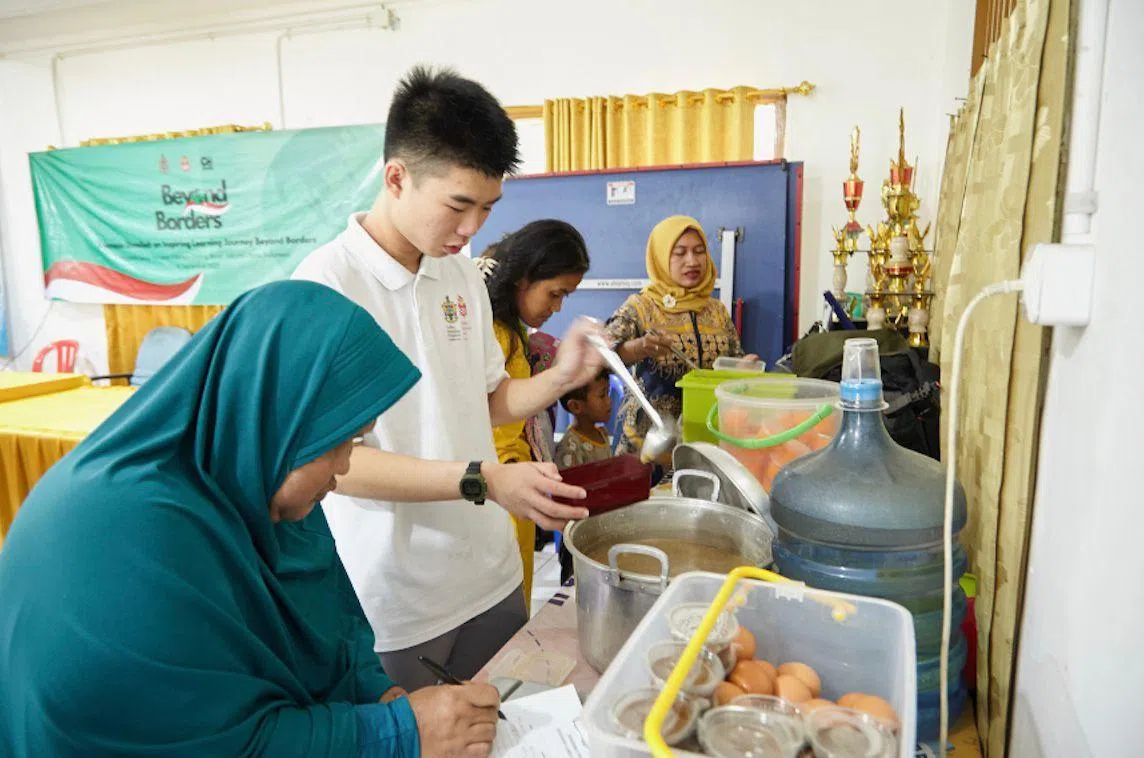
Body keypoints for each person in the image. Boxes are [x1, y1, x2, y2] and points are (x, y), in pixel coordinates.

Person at [0, 281, 502, 758]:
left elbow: (333, 621)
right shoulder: (129, 537)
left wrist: (382, 694)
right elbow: (215, 743)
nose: (345, 468)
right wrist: (398, 733)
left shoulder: (251, 472)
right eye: (338, 445)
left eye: (356, 442)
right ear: (274, 415)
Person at [292, 66, 602, 690]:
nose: (471, 230)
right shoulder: (326, 287)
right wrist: (484, 479)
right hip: (398, 599)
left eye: (487, 209)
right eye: (458, 206)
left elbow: (488, 400)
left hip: (488, 575)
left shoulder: (460, 275)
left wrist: (561, 376)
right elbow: (337, 465)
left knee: (504, 723)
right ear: (397, 178)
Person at [474, 219, 590, 612]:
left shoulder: (512, 328)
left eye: (565, 298)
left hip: (513, 478)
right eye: (554, 294)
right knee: (499, 608)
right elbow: (491, 413)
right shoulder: (490, 330)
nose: (557, 308)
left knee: (514, 600)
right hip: (496, 486)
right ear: (523, 278)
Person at [606, 215, 758, 458]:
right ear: (662, 257)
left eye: (699, 252)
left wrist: (740, 369)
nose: (692, 261)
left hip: (706, 438)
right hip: (649, 443)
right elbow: (604, 353)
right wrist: (640, 347)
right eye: (680, 253)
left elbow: (732, 361)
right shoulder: (640, 307)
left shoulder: (717, 311)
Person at [554, 369, 614, 469]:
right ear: (575, 406)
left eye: (608, 393)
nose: (609, 401)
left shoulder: (602, 433)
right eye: (602, 395)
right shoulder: (571, 447)